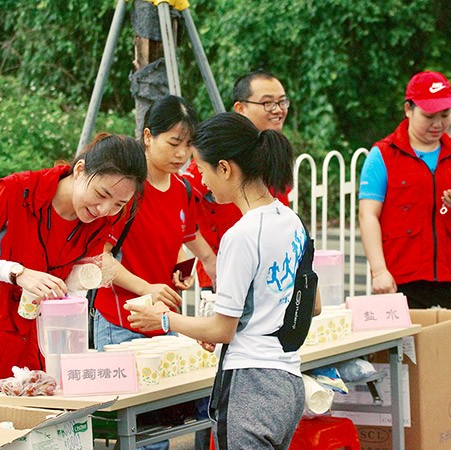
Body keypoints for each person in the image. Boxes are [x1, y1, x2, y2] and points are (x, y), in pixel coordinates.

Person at [127, 112, 310, 450]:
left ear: (224, 168)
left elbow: (222, 330)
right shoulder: (291, 221)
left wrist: (163, 318)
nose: (201, 181)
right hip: (289, 383)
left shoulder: (241, 236)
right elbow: (311, 305)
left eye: (201, 168)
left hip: (250, 385)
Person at [0, 132, 147, 401]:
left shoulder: (102, 221)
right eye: (101, 194)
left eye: (119, 204)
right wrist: (17, 273)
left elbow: (73, 285)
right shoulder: (15, 191)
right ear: (80, 170)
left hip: (33, 366)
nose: (104, 209)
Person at [92, 95, 216, 351]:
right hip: (122, 322)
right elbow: (99, 257)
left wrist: (180, 273)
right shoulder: (125, 189)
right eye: (173, 143)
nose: (182, 153)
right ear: (148, 137)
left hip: (164, 322)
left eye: (188, 144)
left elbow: (196, 248)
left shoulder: (184, 190)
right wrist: (147, 288)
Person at [358, 70, 451, 309]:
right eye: (429, 116)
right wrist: (379, 270)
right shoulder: (383, 155)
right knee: (405, 347)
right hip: (400, 277)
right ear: (408, 110)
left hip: (449, 276)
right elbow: (368, 215)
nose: (438, 124)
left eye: (445, 115)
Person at [183, 69, 291, 291]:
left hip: (272, 274)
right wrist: (208, 259)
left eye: (282, 102)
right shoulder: (215, 155)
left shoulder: (274, 151)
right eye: (268, 103)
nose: (278, 110)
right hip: (228, 277)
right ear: (241, 108)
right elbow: (177, 210)